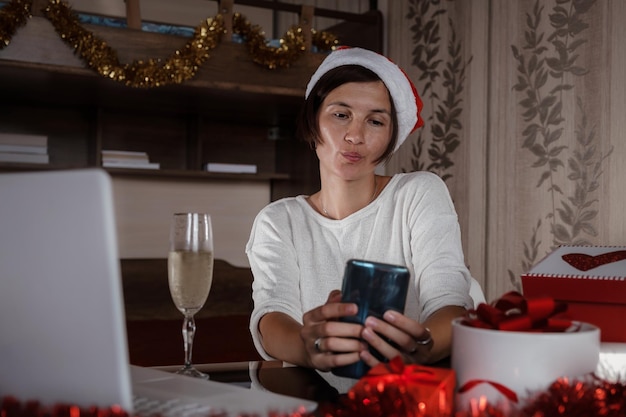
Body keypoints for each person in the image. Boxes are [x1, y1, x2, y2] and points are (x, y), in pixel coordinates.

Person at [246, 47, 475, 377]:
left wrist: (422, 348)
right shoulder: (278, 221)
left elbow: (449, 303)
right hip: (309, 401)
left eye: (375, 121)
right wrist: (310, 347)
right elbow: (271, 315)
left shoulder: (418, 193)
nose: (355, 136)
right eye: (341, 115)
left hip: (408, 397)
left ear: (390, 138)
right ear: (313, 120)